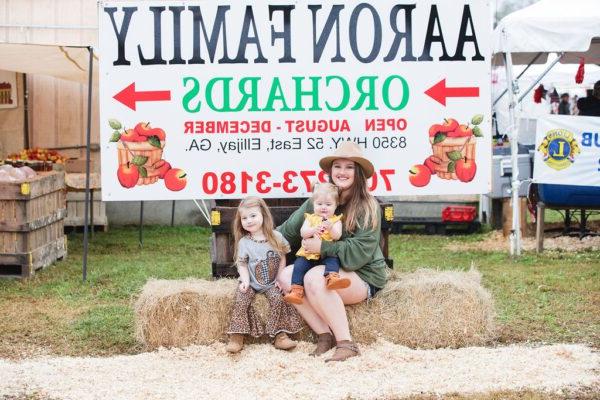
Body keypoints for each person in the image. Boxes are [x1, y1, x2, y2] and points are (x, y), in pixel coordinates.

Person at [277, 141, 389, 362]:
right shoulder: (320, 200)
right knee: (286, 277)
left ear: (358, 173)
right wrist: (257, 241)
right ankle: (324, 336)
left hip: (362, 275)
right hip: (324, 269)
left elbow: (361, 251)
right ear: (331, 171)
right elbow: (287, 232)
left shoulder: (367, 206)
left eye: (349, 167)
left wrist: (324, 247)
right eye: (337, 166)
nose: (342, 172)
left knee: (315, 278)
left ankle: (346, 344)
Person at [226, 196, 303, 353]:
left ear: (263, 215)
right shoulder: (244, 242)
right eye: (244, 218)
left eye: (253, 216)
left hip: (271, 282)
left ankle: (280, 335)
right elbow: (241, 264)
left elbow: (283, 256)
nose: (249, 220)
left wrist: (280, 277)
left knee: (278, 299)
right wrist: (245, 281)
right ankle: (237, 336)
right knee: (241, 298)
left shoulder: (276, 237)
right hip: (252, 281)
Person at [283, 182, 348, 305]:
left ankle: (332, 278)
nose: (323, 207)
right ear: (313, 204)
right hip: (309, 253)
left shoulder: (335, 221)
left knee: (333, 260)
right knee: (299, 265)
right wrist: (312, 230)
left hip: (326, 253)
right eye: (319, 204)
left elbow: (337, 236)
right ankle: (296, 290)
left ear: (336, 205)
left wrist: (330, 228)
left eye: (328, 204)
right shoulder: (310, 218)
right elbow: (303, 233)